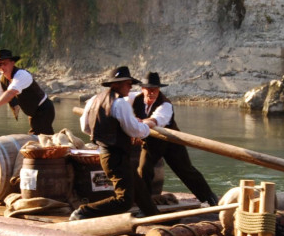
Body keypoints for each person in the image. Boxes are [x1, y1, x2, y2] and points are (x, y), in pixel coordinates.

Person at [70, 66, 160, 221]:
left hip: (107, 153)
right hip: (115, 156)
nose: (131, 87)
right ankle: (83, 211)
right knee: (124, 201)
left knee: (139, 187)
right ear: (117, 84)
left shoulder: (94, 100)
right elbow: (134, 130)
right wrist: (147, 127)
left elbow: (85, 126)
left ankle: (154, 216)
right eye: (128, 83)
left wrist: (102, 134)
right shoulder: (120, 104)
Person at [130, 72, 221, 207]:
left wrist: (138, 125)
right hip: (151, 142)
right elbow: (119, 103)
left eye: (154, 89)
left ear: (159, 89)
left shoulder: (165, 105)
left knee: (185, 170)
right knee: (144, 169)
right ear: (142, 89)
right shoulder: (134, 99)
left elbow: (155, 120)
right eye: (148, 89)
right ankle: (145, 204)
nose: (151, 92)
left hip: (170, 142)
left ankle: (209, 197)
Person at [0, 49, 55, 135]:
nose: (2, 67)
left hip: (44, 110)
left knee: (39, 138)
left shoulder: (22, 75)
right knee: (41, 137)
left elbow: (10, 93)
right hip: (33, 114)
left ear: (12, 63)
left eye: (4, 63)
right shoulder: (1, 81)